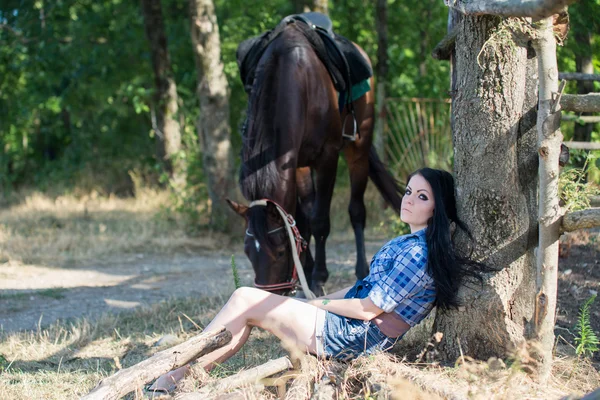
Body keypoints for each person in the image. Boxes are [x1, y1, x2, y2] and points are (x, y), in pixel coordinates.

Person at [147, 167, 488, 394]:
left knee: (244, 299)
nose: (409, 199)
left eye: (422, 197)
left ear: (437, 210)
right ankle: (181, 377)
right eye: (409, 191)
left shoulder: (418, 254)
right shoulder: (409, 243)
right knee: (246, 308)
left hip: (351, 336)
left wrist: (316, 304)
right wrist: (312, 302)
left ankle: (174, 376)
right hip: (345, 327)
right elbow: (361, 289)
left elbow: (369, 308)